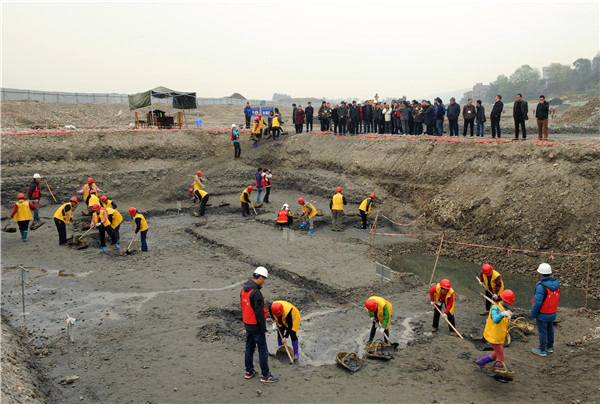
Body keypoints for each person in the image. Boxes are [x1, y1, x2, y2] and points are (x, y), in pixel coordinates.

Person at [241, 266, 278, 383]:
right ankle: (265, 375)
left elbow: (243, 305)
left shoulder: (244, 289)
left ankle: (249, 371)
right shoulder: (256, 293)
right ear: (260, 277)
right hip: (256, 325)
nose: (264, 282)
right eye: (264, 279)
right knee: (262, 350)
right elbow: (259, 312)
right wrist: (263, 328)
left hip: (247, 323)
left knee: (249, 347)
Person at [476, 290, 516, 376]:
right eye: (509, 303)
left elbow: (505, 315)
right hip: (494, 336)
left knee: (496, 353)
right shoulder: (495, 308)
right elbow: (496, 320)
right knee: (501, 357)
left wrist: (508, 314)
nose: (509, 305)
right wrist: (502, 314)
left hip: (499, 336)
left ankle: (481, 362)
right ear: (504, 301)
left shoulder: (505, 308)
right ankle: (498, 374)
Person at [530, 263, 560, 357]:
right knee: (550, 329)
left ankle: (542, 350)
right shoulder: (556, 285)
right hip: (552, 313)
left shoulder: (541, 286)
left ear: (541, 274)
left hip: (543, 314)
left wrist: (533, 314)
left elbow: (537, 303)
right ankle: (549, 347)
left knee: (542, 331)